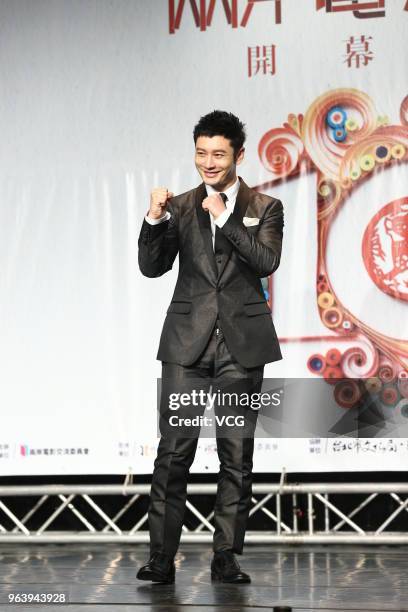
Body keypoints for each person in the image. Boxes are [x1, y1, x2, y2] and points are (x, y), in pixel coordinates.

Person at [137, 110, 284, 584]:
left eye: (218, 154)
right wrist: (154, 219)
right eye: (201, 153)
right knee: (173, 453)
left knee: (236, 455)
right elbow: (152, 267)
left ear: (239, 155)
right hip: (187, 348)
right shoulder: (180, 206)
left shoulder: (266, 206)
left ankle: (226, 555)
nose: (208, 162)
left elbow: (265, 261)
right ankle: (161, 558)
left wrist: (225, 217)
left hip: (242, 347)